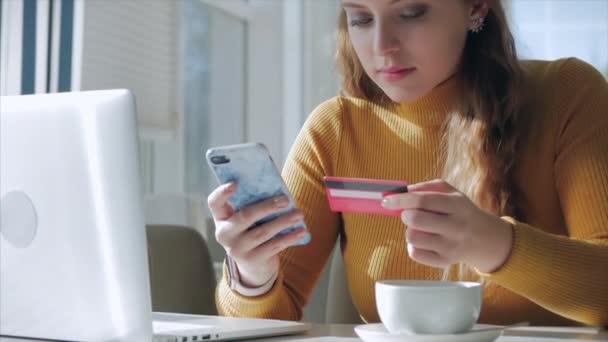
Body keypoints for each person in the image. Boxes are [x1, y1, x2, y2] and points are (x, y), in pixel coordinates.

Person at [207, 0, 608, 326]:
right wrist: (252, 277)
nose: (383, 45)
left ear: (477, 8)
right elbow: (266, 323)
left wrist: (493, 244)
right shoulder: (335, 129)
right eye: (361, 18)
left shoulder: (568, 95)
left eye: (412, 12)